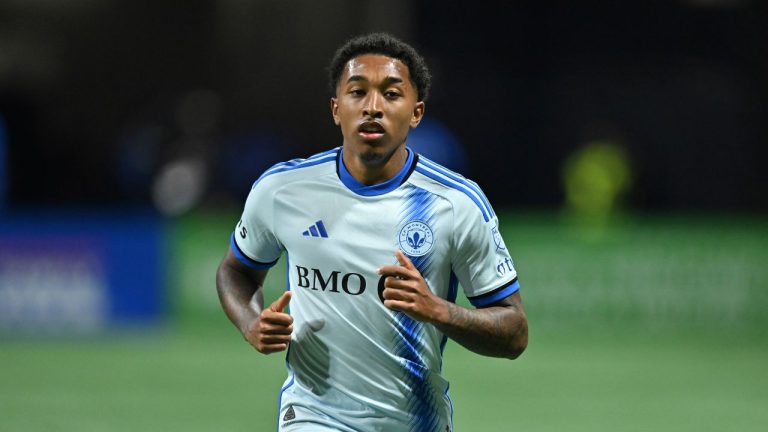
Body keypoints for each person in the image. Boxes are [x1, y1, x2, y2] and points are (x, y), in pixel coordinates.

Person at [216, 33, 528, 432]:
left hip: (416, 421)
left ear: (416, 113)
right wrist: (250, 322)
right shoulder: (283, 190)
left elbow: (514, 332)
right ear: (336, 108)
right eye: (357, 92)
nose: (373, 107)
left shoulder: (455, 203)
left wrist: (440, 311)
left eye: (391, 94)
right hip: (313, 416)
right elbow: (235, 271)